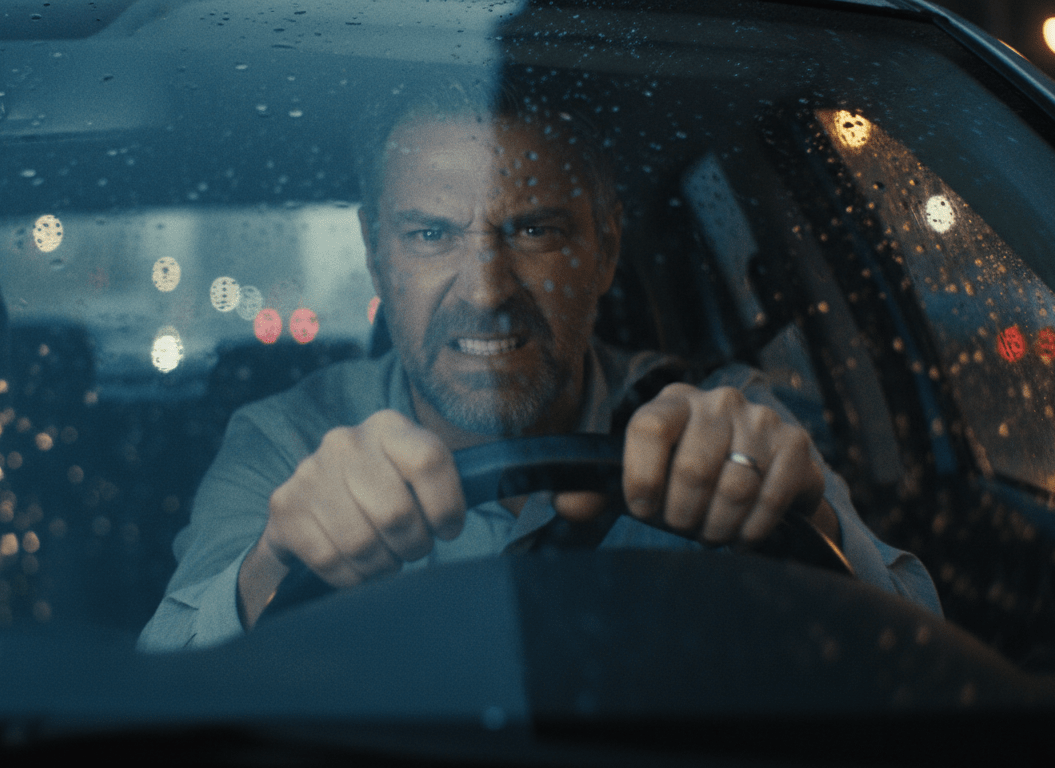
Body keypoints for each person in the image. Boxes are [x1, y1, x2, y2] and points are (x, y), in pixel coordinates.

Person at [138, 86, 941, 651]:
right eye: (430, 235)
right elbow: (160, 695)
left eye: (533, 230)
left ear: (605, 248)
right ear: (376, 255)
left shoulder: (723, 421)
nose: (487, 291)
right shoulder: (287, 445)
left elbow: (925, 669)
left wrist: (814, 525)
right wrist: (273, 567)